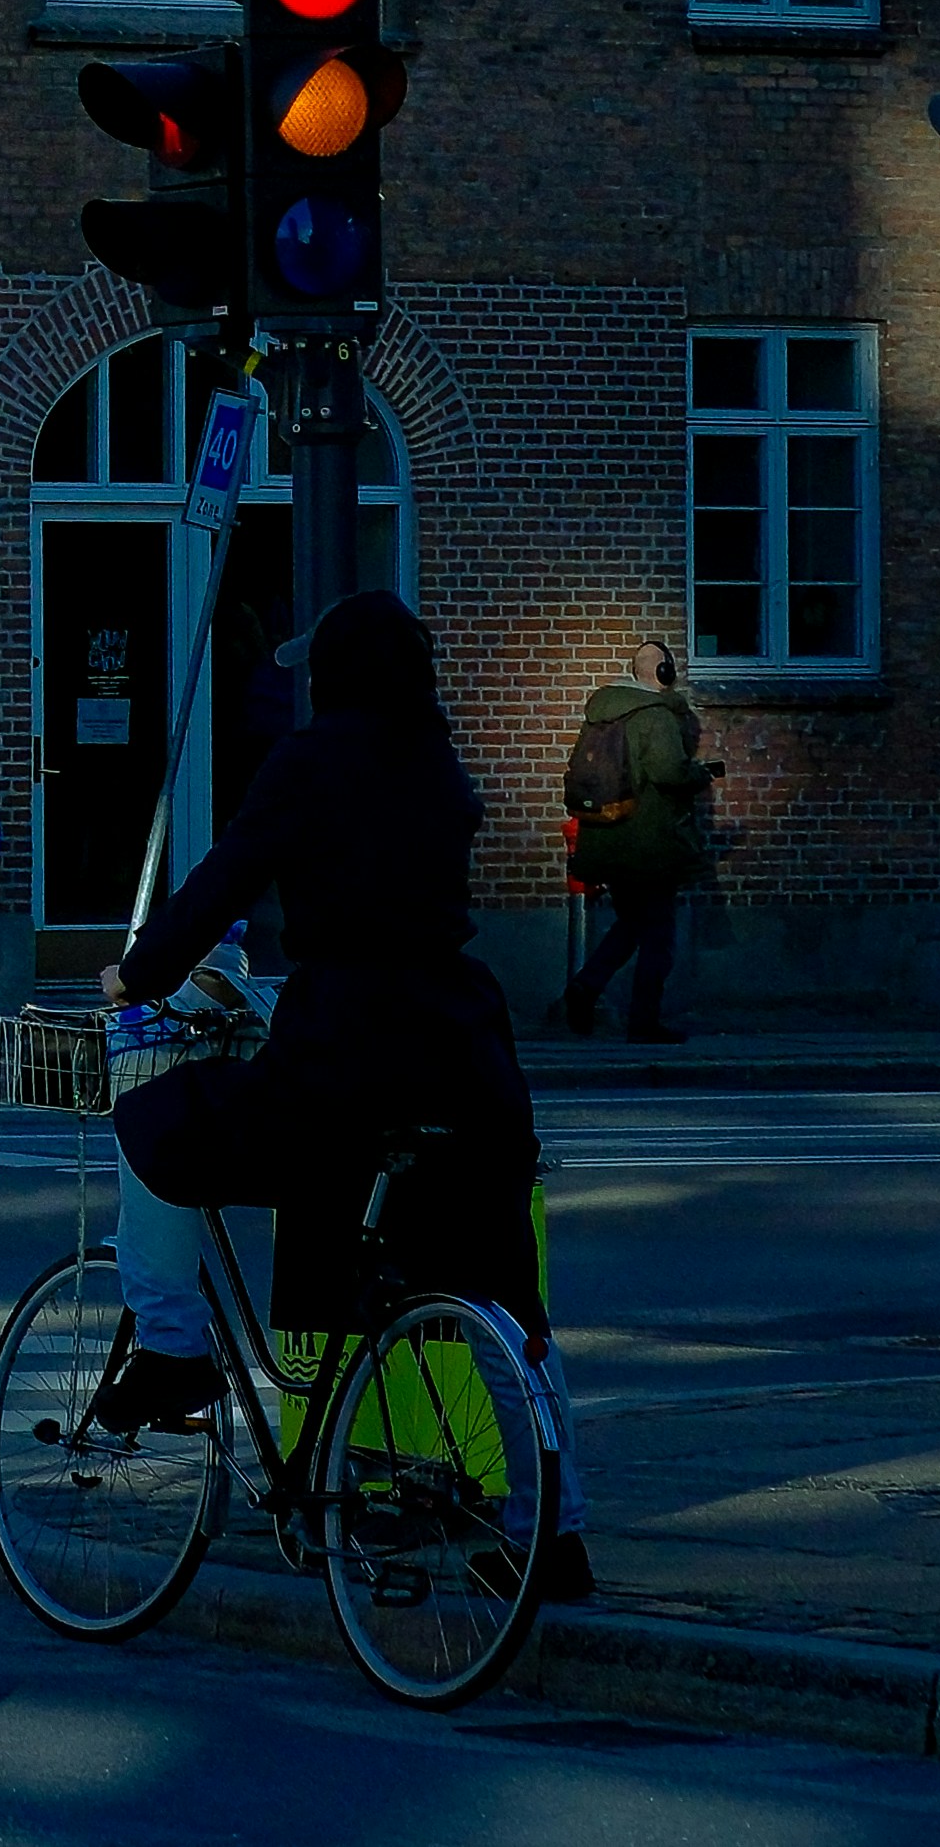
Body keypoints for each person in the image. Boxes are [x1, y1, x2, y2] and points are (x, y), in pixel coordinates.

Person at [102, 589, 589, 1599]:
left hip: (341, 1052)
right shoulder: (436, 766)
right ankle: (559, 1531)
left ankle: (170, 1349)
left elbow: (222, 881)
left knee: (152, 1117)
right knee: (503, 1293)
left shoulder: (308, 762)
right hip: (460, 1046)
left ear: (326, 677)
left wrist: (137, 974)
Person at [559, 642, 708, 1045]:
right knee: (658, 935)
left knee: (630, 925)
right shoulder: (655, 717)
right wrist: (702, 774)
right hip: (648, 844)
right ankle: (644, 1022)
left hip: (607, 839)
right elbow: (670, 774)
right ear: (665, 673)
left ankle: (584, 987)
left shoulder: (602, 714)